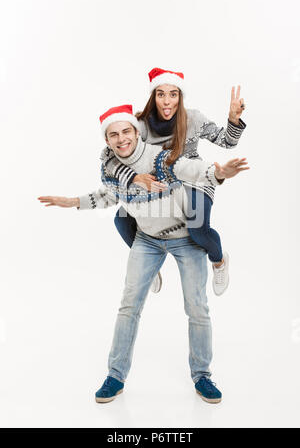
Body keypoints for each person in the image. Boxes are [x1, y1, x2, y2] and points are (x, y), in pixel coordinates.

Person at [37, 105, 249, 404]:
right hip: (147, 242)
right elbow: (108, 195)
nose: (121, 138)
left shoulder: (160, 157)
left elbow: (188, 168)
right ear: (107, 141)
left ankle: (202, 375)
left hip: (184, 239)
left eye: (126, 131)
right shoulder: (112, 169)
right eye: (113, 134)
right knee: (128, 307)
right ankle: (115, 375)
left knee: (197, 308)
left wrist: (218, 172)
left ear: (136, 133)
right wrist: (72, 201)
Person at [100, 67, 247, 296]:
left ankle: (219, 261)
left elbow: (226, 142)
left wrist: (233, 120)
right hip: (159, 188)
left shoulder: (193, 119)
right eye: (161, 94)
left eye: (173, 94)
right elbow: (109, 156)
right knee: (122, 219)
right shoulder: (140, 126)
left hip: (196, 180)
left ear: (180, 96)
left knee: (197, 228)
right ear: (153, 97)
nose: (167, 101)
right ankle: (149, 266)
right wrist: (135, 177)